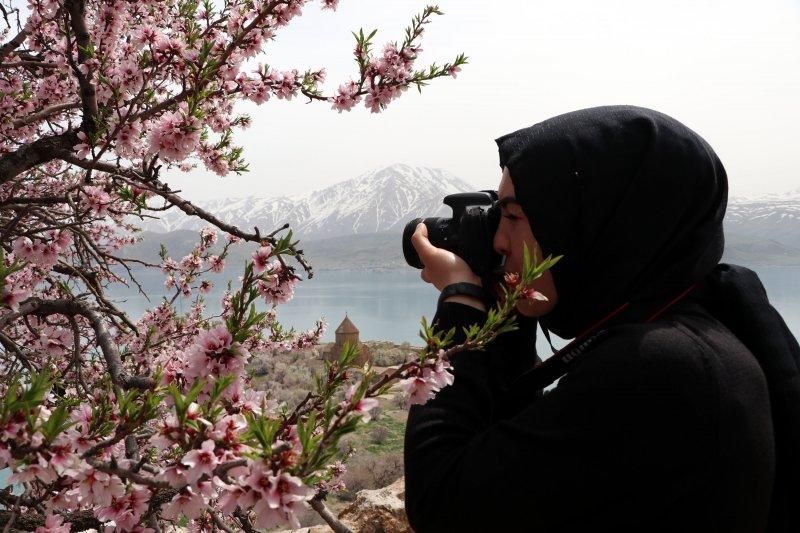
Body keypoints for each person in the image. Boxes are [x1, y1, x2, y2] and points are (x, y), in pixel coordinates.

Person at [404, 105, 800, 532]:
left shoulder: (662, 368)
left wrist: (462, 304)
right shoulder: (691, 333)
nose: (499, 240)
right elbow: (507, 465)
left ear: (592, 223)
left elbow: (442, 504)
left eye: (515, 216)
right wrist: (508, 314)